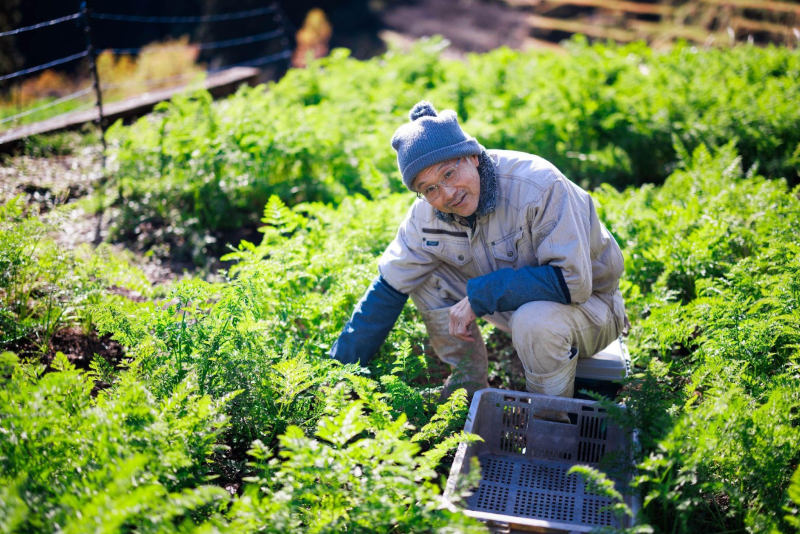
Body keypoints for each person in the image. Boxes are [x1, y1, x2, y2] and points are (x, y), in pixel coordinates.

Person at [330, 100, 629, 407]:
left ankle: (548, 420)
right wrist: (335, 373)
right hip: (515, 307)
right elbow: (387, 289)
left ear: (472, 156)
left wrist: (481, 295)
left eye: (448, 174)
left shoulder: (538, 185)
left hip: (591, 306)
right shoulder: (426, 217)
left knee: (533, 320)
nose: (446, 194)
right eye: (429, 188)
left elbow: (573, 282)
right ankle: (466, 390)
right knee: (421, 276)